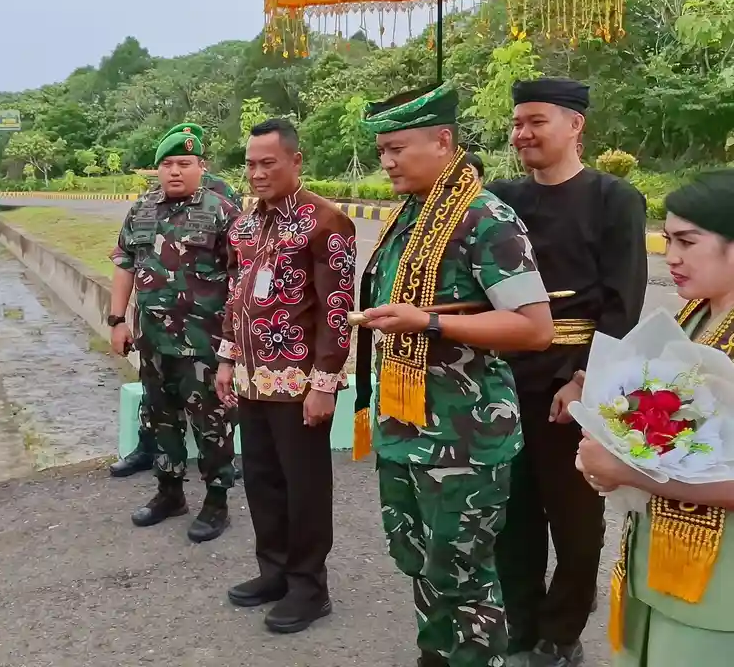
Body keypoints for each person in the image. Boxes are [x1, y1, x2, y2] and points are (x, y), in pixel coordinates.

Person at [354, 83, 555, 667]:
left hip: (465, 435)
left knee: (464, 574)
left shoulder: (485, 218)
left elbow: (533, 327)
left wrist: (430, 322)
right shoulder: (413, 215)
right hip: (405, 423)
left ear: (443, 141)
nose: (387, 162)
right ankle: (436, 656)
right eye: (381, 151)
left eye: (397, 148)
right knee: (419, 561)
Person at [489, 78, 649, 667]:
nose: (522, 133)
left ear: (575, 125)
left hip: (576, 381)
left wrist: (583, 379)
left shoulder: (614, 199)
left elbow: (622, 303)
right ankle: (524, 628)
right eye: (517, 123)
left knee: (577, 525)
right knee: (513, 519)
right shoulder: (501, 198)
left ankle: (563, 631)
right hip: (504, 379)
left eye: (536, 121)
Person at [572, 169, 734, 666]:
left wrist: (629, 470)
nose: (672, 256)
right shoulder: (698, 316)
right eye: (668, 240)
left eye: (688, 241)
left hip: (717, 590)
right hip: (655, 560)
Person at [215, 118, 356, 634]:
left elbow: (337, 311)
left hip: (299, 386)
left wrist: (325, 384)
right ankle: (272, 572)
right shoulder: (248, 223)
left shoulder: (326, 222)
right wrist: (227, 358)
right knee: (262, 482)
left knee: (304, 489)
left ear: (296, 161)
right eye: (250, 164)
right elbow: (236, 296)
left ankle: (308, 587)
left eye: (267, 163)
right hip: (251, 382)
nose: (256, 173)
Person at [108, 125, 241, 542]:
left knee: (212, 423)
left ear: (201, 167)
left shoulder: (222, 212)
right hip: (152, 340)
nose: (175, 172)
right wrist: (116, 320)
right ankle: (169, 493)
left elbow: (240, 279)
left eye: (185, 164)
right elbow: (125, 261)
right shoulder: (142, 209)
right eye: (167, 164)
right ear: (157, 169)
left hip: (204, 343)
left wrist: (232, 346)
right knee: (160, 415)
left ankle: (216, 501)